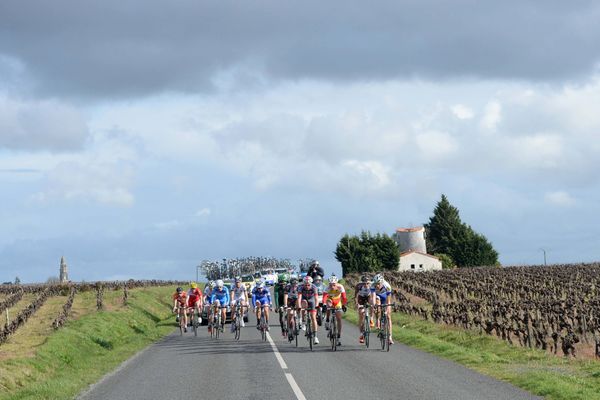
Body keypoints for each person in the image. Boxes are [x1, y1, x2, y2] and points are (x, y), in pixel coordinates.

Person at [323, 274, 347, 346]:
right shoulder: (327, 288)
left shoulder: (340, 287)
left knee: (339, 319)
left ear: (336, 283)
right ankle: (327, 320)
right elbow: (324, 297)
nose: (332, 286)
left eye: (334, 284)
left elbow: (344, 297)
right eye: (330, 284)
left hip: (337, 302)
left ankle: (338, 335)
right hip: (330, 300)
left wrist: (343, 305)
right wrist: (324, 305)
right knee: (328, 305)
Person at [371, 273, 394, 345]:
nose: (377, 286)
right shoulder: (372, 286)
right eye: (376, 284)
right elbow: (373, 297)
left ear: (382, 282)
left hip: (385, 297)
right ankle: (378, 322)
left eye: (378, 284)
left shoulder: (387, 286)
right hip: (377, 297)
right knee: (377, 304)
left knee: (388, 316)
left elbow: (389, 300)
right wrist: (374, 305)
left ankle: (390, 337)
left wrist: (387, 309)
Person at [297, 275, 320, 344]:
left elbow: (316, 298)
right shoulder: (300, 287)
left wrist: (316, 306)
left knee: (313, 317)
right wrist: (299, 307)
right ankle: (303, 322)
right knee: (303, 305)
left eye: (308, 285)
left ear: (311, 284)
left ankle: (315, 337)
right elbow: (299, 298)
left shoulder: (314, 287)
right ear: (303, 284)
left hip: (311, 299)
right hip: (304, 299)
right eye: (305, 285)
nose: (307, 286)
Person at [355, 275, 372, 343]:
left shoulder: (371, 286)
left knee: (371, 305)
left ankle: (371, 319)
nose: (366, 284)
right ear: (362, 283)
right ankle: (361, 334)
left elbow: (373, 295)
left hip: (368, 297)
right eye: (364, 283)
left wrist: (373, 305)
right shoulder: (358, 286)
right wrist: (357, 304)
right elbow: (356, 296)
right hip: (361, 298)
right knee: (361, 314)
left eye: (367, 283)